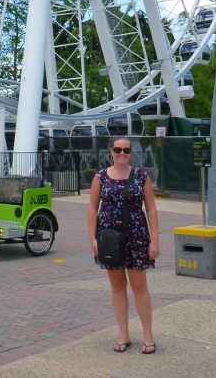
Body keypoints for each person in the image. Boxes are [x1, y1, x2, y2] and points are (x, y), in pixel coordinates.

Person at [87, 137, 160, 354]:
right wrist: (93, 238)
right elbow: (92, 208)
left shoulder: (141, 176)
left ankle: (148, 336)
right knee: (117, 286)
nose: (122, 153)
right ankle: (123, 335)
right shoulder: (100, 176)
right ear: (111, 151)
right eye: (118, 149)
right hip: (110, 238)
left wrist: (154, 239)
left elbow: (151, 208)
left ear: (130, 152)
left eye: (126, 150)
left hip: (136, 237)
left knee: (139, 287)